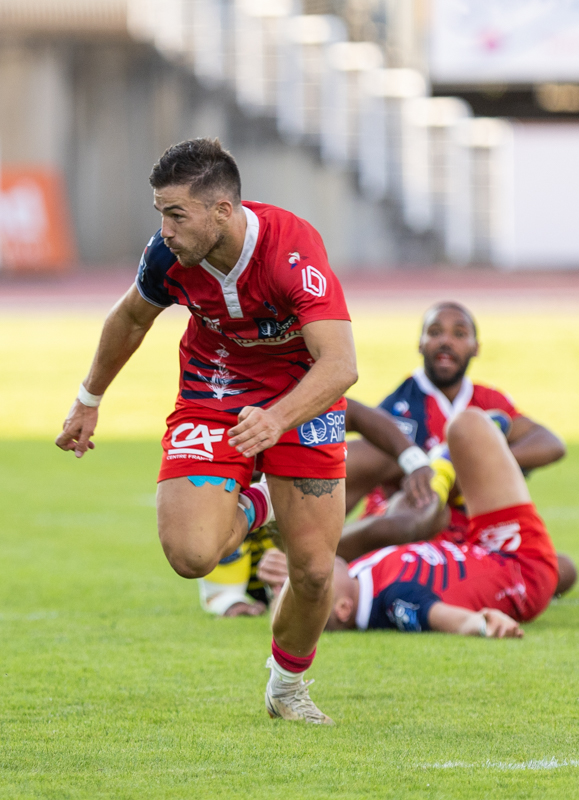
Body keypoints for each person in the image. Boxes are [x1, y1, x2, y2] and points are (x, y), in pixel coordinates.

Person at [57, 138, 356, 724]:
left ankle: (287, 688)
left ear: (222, 212)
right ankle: (260, 497)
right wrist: (89, 399)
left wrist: (275, 419)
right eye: (160, 214)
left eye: (176, 214)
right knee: (193, 555)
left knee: (316, 571)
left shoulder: (292, 251)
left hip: (301, 394)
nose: (164, 230)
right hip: (213, 390)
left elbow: (340, 366)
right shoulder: (168, 257)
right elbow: (130, 318)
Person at [260, 407, 563, 637]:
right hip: (519, 564)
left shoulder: (357, 576)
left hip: (477, 547)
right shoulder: (393, 600)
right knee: (467, 425)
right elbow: (437, 615)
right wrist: (480, 624)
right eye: (315, 586)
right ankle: (445, 467)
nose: (309, 577)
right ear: (343, 608)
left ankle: (451, 467)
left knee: (467, 429)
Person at [199, 398, 436, 618]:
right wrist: (233, 603)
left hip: (309, 517)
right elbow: (224, 593)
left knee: (378, 458)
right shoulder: (223, 486)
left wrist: (415, 463)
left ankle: (409, 510)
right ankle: (341, 554)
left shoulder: (287, 399)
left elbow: (351, 412)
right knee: (394, 527)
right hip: (287, 565)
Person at [346, 301, 566, 533]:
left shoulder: (488, 401)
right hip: (407, 525)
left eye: (459, 334)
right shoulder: (399, 407)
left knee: (560, 568)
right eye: (435, 332)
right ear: (420, 344)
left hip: (464, 529)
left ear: (476, 348)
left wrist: (483, 465)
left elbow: (550, 443)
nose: (446, 341)